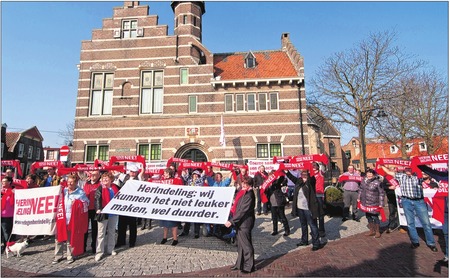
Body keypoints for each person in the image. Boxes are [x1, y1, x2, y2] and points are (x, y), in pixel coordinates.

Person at [380, 165, 439, 252]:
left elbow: (428, 174)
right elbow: (388, 172)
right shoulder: (401, 176)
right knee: (410, 223)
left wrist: (420, 164)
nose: (408, 170)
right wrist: (381, 164)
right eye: (406, 169)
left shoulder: (418, 176)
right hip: (406, 201)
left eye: (410, 169)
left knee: (426, 223)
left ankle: (431, 243)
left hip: (419, 201)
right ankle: (415, 241)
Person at [53, 174, 89, 264]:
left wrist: (78, 203)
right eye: (68, 182)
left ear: (76, 183)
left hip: (72, 219)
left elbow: (86, 204)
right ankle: (58, 256)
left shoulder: (80, 192)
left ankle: (70, 255)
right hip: (61, 218)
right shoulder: (63, 191)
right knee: (58, 239)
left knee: (70, 239)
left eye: (71, 182)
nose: (69, 183)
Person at [287, 170, 324, 251]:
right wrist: (286, 170)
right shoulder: (298, 181)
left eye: (305, 174)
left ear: (308, 174)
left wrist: (310, 169)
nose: (304, 175)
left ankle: (316, 243)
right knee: (303, 224)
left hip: (309, 208)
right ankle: (304, 240)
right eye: (302, 174)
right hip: (300, 207)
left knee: (312, 225)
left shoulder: (310, 182)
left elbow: (312, 178)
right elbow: (291, 177)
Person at [225, 175, 256, 274]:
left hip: (245, 223)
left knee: (246, 245)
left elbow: (243, 211)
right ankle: (239, 263)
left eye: (244, 183)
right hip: (240, 222)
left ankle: (249, 266)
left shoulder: (249, 195)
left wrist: (232, 221)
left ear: (249, 184)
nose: (242, 184)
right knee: (240, 245)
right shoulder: (243, 192)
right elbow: (239, 206)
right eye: (242, 182)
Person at [94, 172, 120, 262]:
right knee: (101, 233)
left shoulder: (115, 187)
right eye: (103, 178)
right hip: (103, 213)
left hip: (113, 213)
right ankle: (99, 252)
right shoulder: (100, 188)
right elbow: (97, 198)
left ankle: (110, 249)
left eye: (107, 178)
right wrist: (98, 208)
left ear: (111, 180)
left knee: (112, 232)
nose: (104, 179)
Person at [116, 164, 141, 248]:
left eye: (134, 172)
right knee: (121, 224)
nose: (132, 173)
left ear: (137, 172)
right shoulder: (125, 177)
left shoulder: (139, 179)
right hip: (123, 204)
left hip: (132, 205)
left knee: (132, 224)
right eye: (131, 172)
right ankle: (121, 240)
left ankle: (132, 241)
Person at [180, 169, 207, 238]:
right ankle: (185, 231)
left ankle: (196, 233)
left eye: (196, 174)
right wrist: (184, 170)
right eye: (194, 174)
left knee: (196, 218)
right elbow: (184, 177)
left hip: (197, 201)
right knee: (187, 218)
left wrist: (204, 170)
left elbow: (204, 176)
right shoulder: (189, 180)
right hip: (189, 201)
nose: (195, 176)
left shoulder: (200, 180)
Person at [357, 169, 384, 238]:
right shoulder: (363, 181)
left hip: (374, 202)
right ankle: (371, 231)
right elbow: (360, 189)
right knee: (368, 216)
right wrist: (359, 197)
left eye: (370, 173)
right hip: (365, 202)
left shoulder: (378, 182)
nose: (369, 175)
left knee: (375, 216)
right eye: (368, 173)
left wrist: (381, 203)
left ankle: (377, 231)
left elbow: (381, 193)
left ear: (373, 174)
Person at [81, 170, 101, 254]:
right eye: (91, 174)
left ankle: (94, 247)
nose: (92, 176)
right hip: (86, 209)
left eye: (95, 174)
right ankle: (83, 247)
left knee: (94, 229)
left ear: (98, 175)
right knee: (84, 229)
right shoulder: (86, 184)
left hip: (95, 209)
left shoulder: (100, 184)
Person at [265, 171, 290, 236]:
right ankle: (275, 230)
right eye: (269, 176)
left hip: (279, 202)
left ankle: (287, 230)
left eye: (271, 176)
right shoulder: (267, 184)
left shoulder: (276, 182)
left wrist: (280, 173)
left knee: (282, 216)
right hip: (272, 203)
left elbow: (281, 178)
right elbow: (265, 192)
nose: (270, 178)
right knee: (274, 217)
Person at [381, 167, 400, 233]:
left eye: (394, 168)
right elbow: (383, 186)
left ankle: (399, 224)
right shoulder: (386, 178)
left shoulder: (400, 177)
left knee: (399, 212)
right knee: (391, 212)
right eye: (392, 168)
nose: (393, 170)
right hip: (391, 196)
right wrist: (389, 187)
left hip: (399, 198)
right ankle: (391, 225)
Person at [1, 176, 15, 253]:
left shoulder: (13, 192)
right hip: (1, 214)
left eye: (4, 181)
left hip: (8, 215)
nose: (3, 183)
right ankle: (3, 246)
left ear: (9, 182)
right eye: (2, 181)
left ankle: (9, 246)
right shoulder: (1, 191)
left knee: (6, 232)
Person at [312, 162, 326, 237]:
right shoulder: (310, 174)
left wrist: (321, 161)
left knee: (320, 214)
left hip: (319, 195)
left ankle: (321, 230)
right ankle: (315, 229)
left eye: (314, 165)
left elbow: (323, 167)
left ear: (317, 167)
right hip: (312, 196)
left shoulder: (321, 173)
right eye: (312, 165)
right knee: (313, 214)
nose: (313, 166)